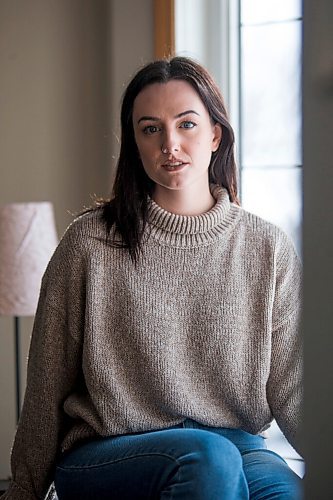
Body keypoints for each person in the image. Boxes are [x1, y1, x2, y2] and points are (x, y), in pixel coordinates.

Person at [2, 57, 303, 500]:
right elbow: (48, 383)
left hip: (238, 449)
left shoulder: (267, 247)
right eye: (150, 129)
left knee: (284, 491)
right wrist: (24, 490)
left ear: (215, 135)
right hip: (109, 453)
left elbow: (293, 390)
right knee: (206, 458)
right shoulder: (90, 244)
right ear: (135, 144)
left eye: (186, 124)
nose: (170, 144)